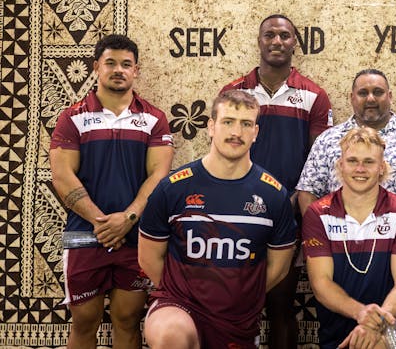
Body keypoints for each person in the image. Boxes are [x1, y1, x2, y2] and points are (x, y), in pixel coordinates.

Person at [296, 69, 396, 348]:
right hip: (339, 248)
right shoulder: (329, 139)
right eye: (363, 92)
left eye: (378, 92)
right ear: (351, 98)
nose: (371, 98)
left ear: (390, 96)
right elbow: (307, 189)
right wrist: (317, 229)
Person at [138, 90, 297, 349]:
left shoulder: (273, 195)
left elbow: (278, 268)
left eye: (246, 124)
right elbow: (148, 258)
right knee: (171, 335)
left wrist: (241, 297)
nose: (236, 132)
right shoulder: (174, 188)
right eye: (228, 122)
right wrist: (187, 294)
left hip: (238, 318)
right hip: (179, 305)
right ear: (211, 127)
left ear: (255, 132)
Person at [50, 34, 174, 349]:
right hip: (81, 234)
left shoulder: (154, 119)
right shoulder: (71, 117)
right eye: (110, 63)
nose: (118, 70)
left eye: (126, 64)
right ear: (96, 67)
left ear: (136, 71)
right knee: (83, 322)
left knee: (128, 321)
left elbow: (159, 176)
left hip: (136, 236)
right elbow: (62, 176)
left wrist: (128, 218)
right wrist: (102, 222)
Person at [221, 14, 332, 348]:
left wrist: (299, 198)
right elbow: (224, 150)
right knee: (236, 305)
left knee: (281, 306)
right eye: (269, 35)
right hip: (238, 211)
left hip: (289, 213)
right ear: (259, 41)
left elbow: (319, 159)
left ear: (294, 42)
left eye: (285, 35)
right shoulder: (234, 92)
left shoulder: (314, 95)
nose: (277, 41)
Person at [302, 127, 396, 348]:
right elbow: (321, 284)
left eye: (369, 162)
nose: (360, 169)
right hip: (335, 335)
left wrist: (373, 324)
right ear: (340, 165)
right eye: (352, 161)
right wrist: (362, 313)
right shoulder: (318, 214)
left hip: (387, 330)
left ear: (381, 167)